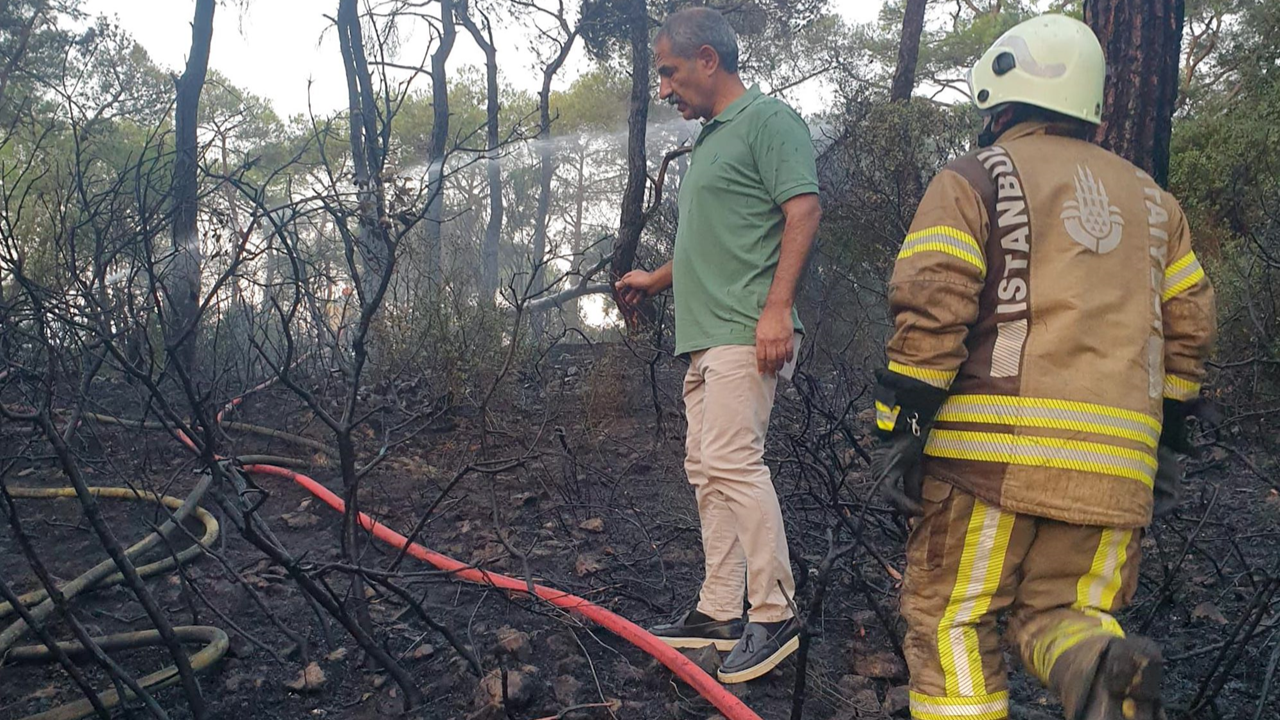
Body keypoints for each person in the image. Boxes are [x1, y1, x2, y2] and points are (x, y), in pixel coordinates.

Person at [870, 14, 1215, 720]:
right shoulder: (1159, 205)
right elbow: (1190, 329)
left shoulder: (976, 176)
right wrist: (1168, 446)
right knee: (1065, 614)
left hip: (990, 463)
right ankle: (1098, 667)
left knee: (952, 621)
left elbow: (934, 303)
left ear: (1001, 99)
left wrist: (898, 428)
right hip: (1118, 472)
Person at [614, 7, 822, 685]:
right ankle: (719, 614)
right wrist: (656, 276)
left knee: (733, 464)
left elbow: (803, 209)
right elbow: (711, 243)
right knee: (708, 472)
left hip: (745, 330)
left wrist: (778, 310)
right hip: (705, 338)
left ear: (709, 59)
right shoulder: (711, 141)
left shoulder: (768, 121)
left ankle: (776, 612)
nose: (666, 88)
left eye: (670, 72)